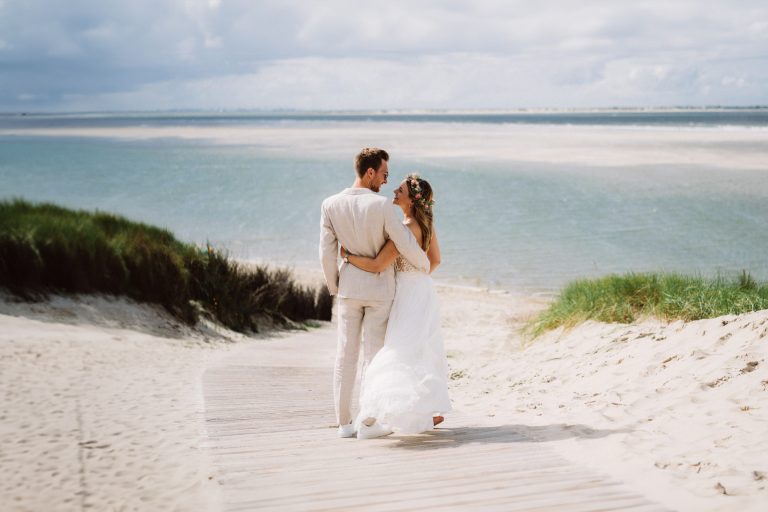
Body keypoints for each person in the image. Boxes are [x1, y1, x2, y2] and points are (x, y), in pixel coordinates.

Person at [319, 148, 430, 439]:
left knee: (345, 356)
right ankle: (367, 423)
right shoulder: (382, 207)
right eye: (383, 174)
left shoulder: (330, 204)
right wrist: (424, 265)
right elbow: (404, 242)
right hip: (380, 290)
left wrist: (335, 286)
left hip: (349, 289)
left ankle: (344, 424)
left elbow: (326, 253)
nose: (384, 181)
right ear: (370, 172)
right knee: (373, 356)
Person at [341, 173, 452, 437]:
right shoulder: (426, 226)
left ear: (412, 199)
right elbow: (435, 261)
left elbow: (379, 264)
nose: (394, 191)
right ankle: (426, 413)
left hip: (407, 294)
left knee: (397, 350)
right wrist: (417, 277)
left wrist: (348, 256)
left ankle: (373, 414)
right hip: (424, 291)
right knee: (422, 350)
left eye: (400, 190)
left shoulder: (404, 229)